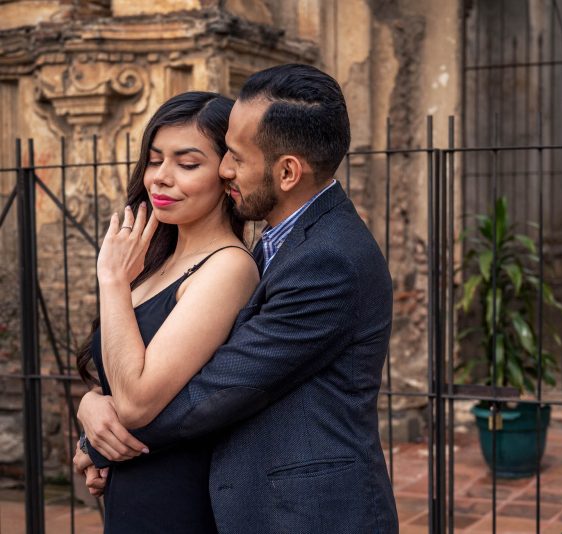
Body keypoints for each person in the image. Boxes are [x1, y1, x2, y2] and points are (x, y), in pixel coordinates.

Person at [75, 64, 399, 533]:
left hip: (308, 516)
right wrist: (93, 403)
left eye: (235, 157)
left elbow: (211, 395)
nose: (226, 169)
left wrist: (99, 438)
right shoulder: (281, 243)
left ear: (287, 172)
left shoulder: (328, 260)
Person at [74, 91, 260, 532]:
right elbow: (117, 378)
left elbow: (137, 401)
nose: (160, 177)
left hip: (179, 498)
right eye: (154, 160)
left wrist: (113, 281)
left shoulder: (229, 268)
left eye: (187, 163)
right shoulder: (155, 261)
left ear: (226, 172)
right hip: (130, 490)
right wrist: (90, 406)